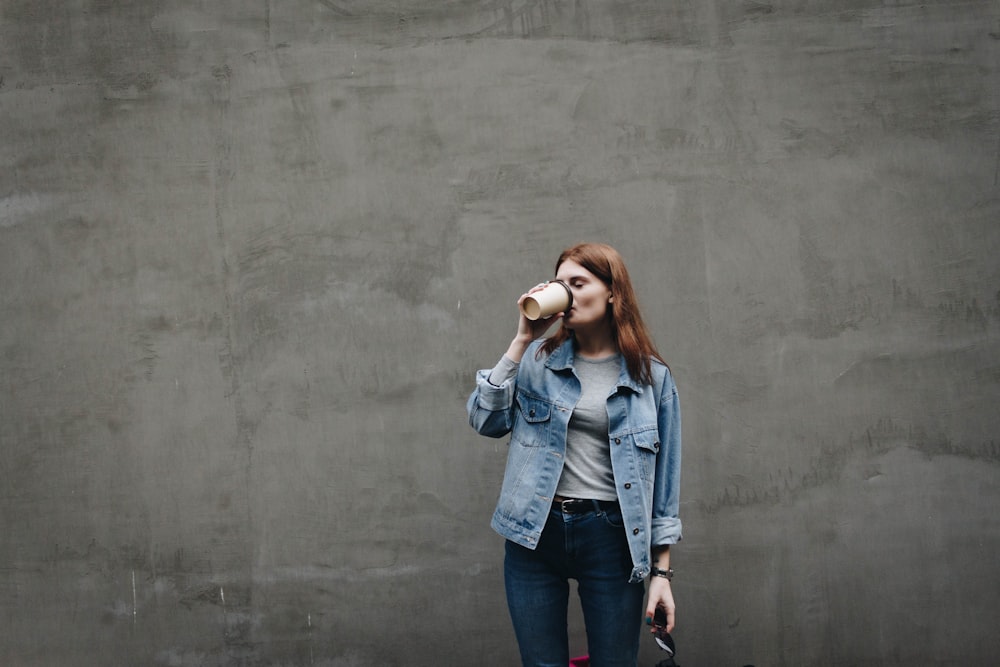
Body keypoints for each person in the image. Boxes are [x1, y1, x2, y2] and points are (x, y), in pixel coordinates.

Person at [467, 242, 682, 667]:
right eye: (559, 284)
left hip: (611, 538)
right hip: (535, 532)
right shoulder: (535, 360)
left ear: (612, 293)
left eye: (577, 283)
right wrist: (522, 340)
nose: (565, 294)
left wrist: (661, 576)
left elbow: (665, 490)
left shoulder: (652, 379)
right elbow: (484, 420)